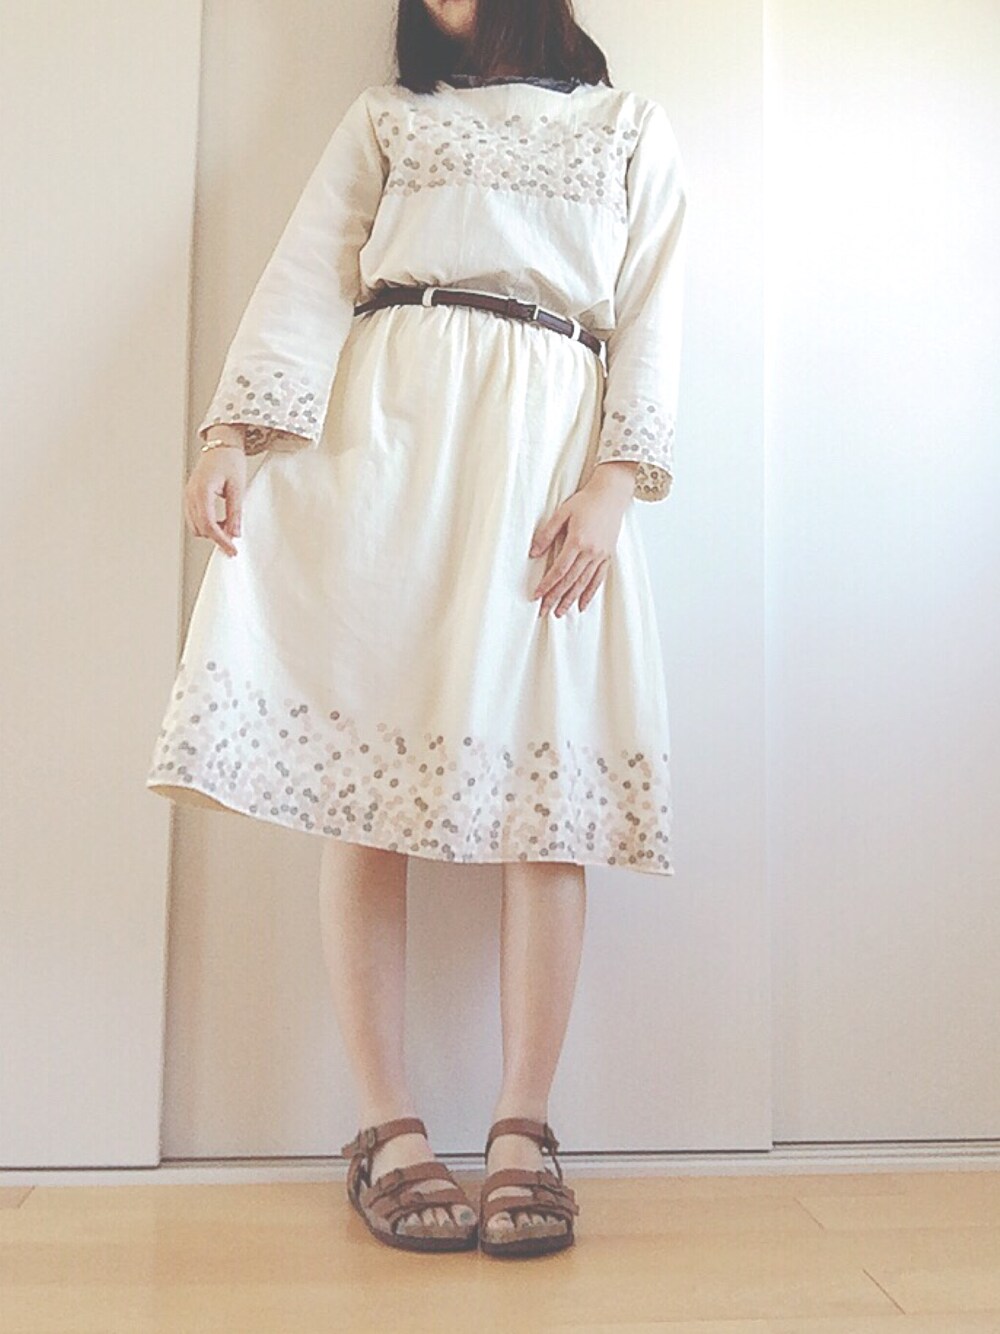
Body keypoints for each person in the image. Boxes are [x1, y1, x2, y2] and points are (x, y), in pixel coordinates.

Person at [146, 0, 688, 1258]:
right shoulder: (391, 119)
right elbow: (307, 277)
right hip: (380, 456)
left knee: (547, 796)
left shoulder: (626, 128)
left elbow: (657, 308)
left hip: (545, 468)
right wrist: (232, 435)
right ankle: (387, 1124)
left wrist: (617, 481)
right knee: (367, 794)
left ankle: (521, 1127)